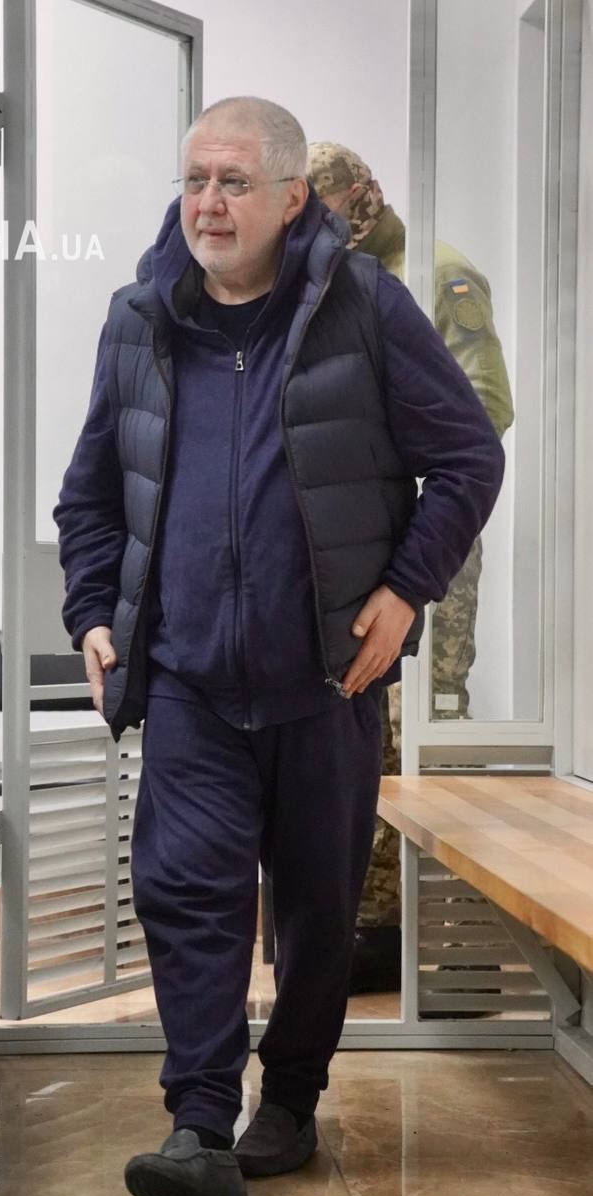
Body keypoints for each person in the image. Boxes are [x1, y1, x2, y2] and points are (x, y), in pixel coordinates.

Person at [54, 97, 504, 1196]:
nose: (207, 204)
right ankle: (198, 1122)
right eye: (194, 180)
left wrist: (405, 592)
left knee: (314, 910)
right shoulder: (139, 318)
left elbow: (466, 456)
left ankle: (290, 1098)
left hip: (325, 678)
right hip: (192, 680)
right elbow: (91, 493)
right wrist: (92, 611)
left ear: (293, 197)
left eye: (233, 183)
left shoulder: (367, 306)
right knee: (187, 893)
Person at [306, 142, 515, 994]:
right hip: (359, 540)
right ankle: (371, 925)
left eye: (323, 210)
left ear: (360, 196)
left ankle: (442, 940)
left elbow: (487, 408)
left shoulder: (436, 272)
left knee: (427, 727)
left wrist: (372, 448)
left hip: (432, 534)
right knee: (364, 726)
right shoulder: (327, 281)